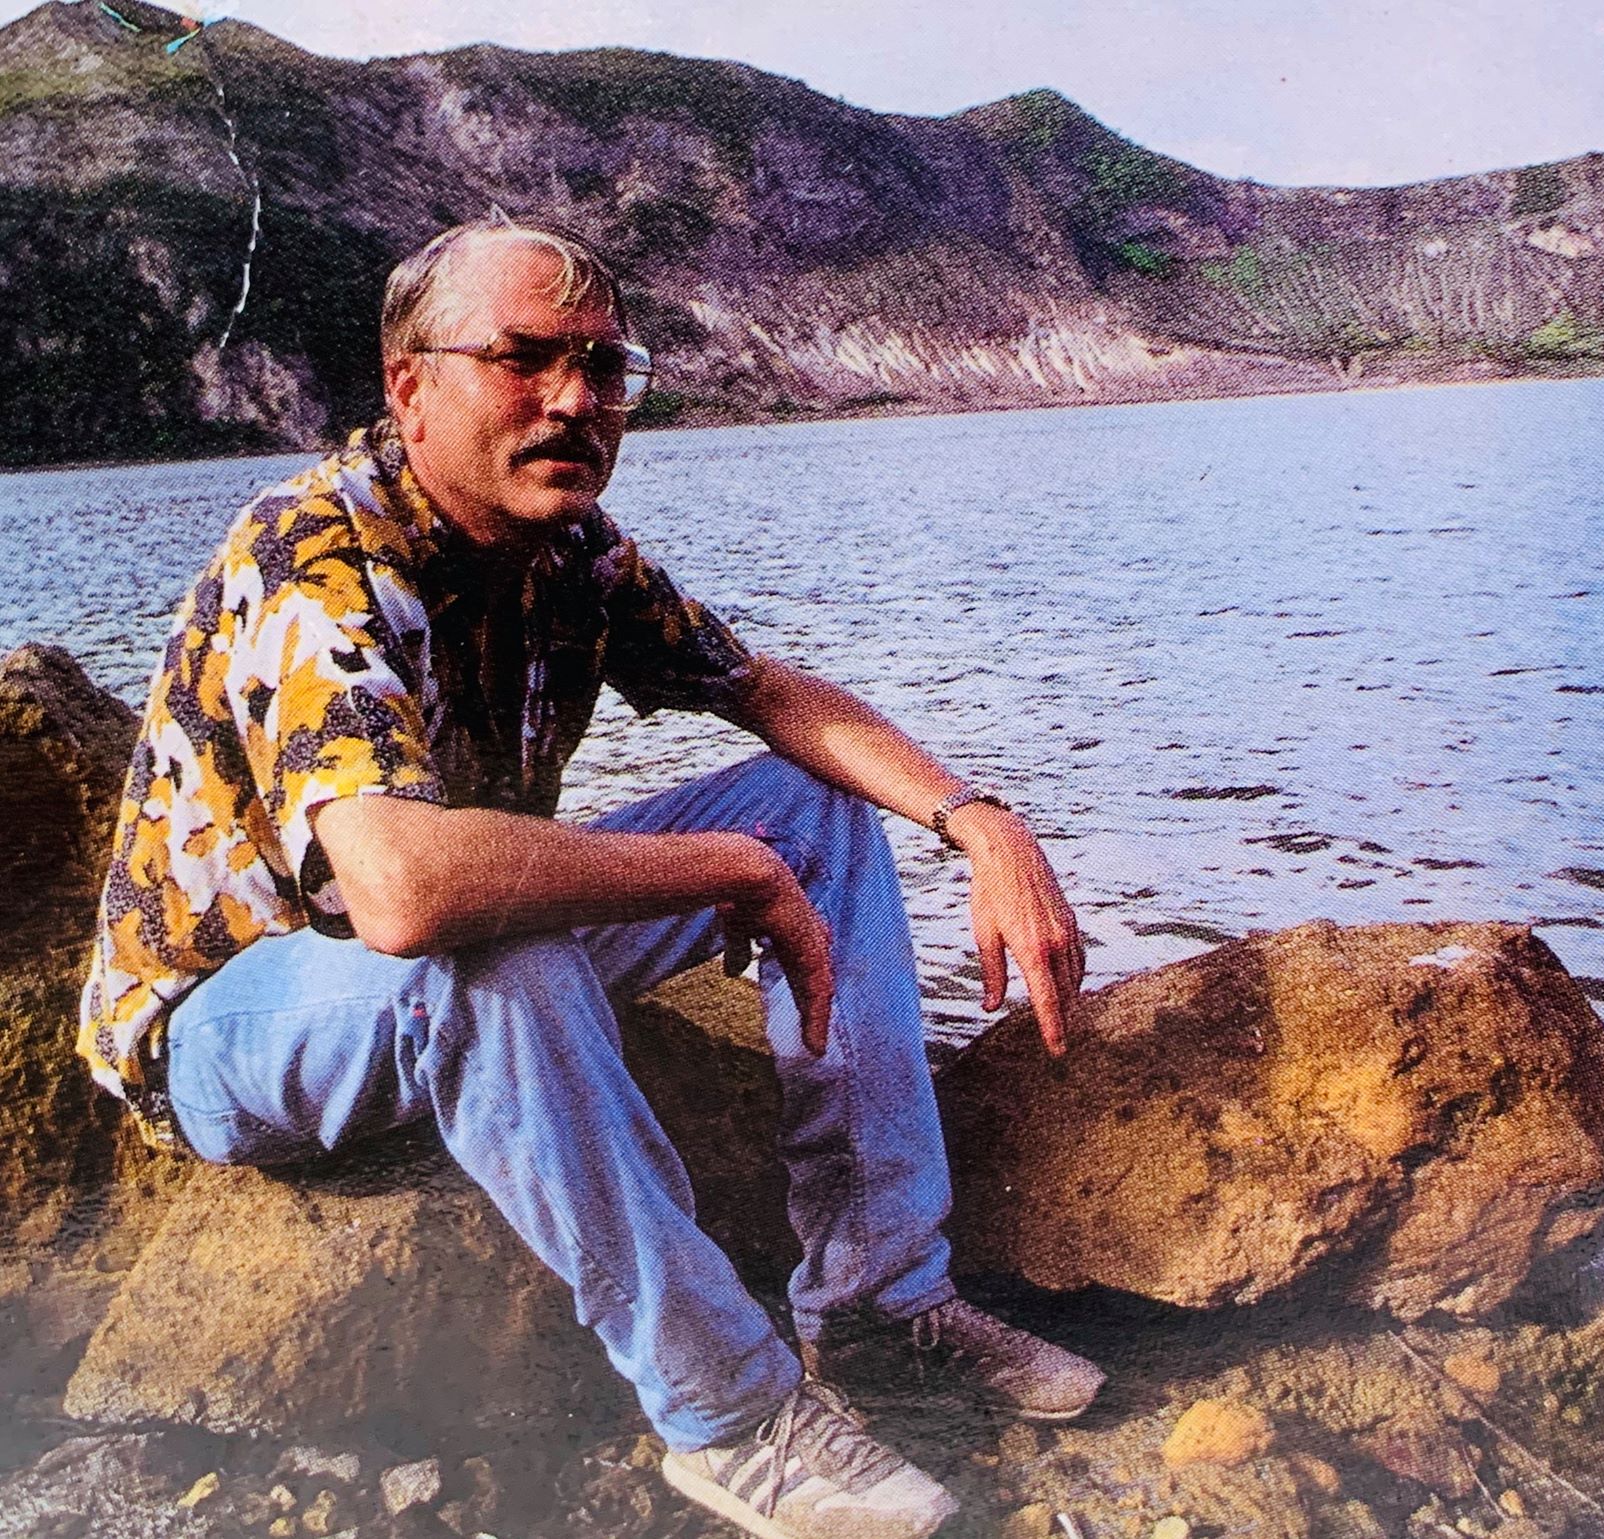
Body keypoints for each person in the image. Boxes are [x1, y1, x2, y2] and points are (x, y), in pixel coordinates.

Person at [79, 215, 1103, 1539]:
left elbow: (767, 692)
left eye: (604, 366)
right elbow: (400, 893)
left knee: (813, 809)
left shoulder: (567, 548)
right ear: (411, 383)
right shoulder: (313, 555)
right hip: (233, 1028)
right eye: (524, 359)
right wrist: (721, 873)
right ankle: (731, 1421)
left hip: (446, 973)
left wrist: (981, 823)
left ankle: (879, 1306)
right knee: (479, 947)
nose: (573, 400)